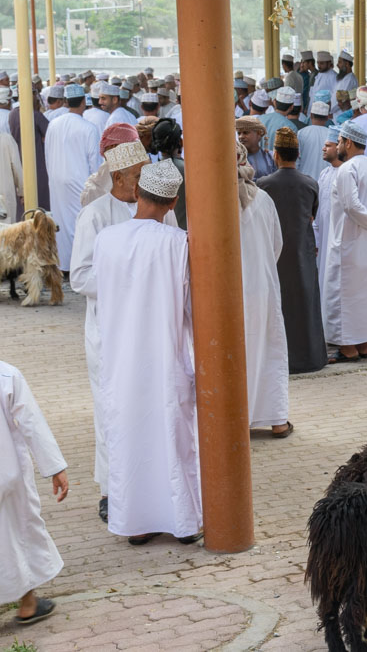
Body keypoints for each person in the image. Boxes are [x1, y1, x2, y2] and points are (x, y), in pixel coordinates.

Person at [93, 160, 202, 545]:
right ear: (173, 203)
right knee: (173, 437)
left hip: (121, 359)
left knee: (129, 438)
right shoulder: (179, 244)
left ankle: (136, 524)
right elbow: (193, 308)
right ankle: (183, 521)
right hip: (165, 357)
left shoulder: (106, 239)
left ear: (137, 193)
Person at [70, 141, 168, 522]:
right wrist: (129, 281)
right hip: (110, 329)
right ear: (118, 178)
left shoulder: (159, 207)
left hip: (151, 326)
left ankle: (152, 482)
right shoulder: (95, 215)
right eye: (139, 177)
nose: (145, 184)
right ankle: (113, 489)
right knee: (112, 408)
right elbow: (80, 277)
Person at [230, 141, 293, 435]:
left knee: (233, 351)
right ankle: (277, 420)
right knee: (267, 348)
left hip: (227, 292)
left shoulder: (212, 201)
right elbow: (276, 244)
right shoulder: (264, 200)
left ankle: (234, 419)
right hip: (262, 287)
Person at [1, 361, 70, 625]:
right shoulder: (6, 374)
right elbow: (30, 421)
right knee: (15, 534)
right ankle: (28, 604)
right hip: (6, 477)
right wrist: (54, 466)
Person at [257, 128, 326, 376]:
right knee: (306, 303)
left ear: (275, 155)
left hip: (274, 254)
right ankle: (310, 357)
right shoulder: (310, 184)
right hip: (302, 253)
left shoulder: (263, 185)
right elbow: (311, 216)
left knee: (279, 304)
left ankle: (279, 359)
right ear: (297, 155)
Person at [322, 120, 367, 361]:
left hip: (348, 242)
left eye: (338, 141)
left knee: (344, 295)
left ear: (348, 142)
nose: (337, 146)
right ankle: (364, 343)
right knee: (366, 294)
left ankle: (348, 347)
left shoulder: (347, 169)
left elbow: (352, 207)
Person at [46, 83, 102, 275]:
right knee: (81, 224)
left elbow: (47, 154)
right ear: (84, 101)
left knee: (62, 223)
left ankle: (64, 267)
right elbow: (95, 163)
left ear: (66, 101)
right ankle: (79, 267)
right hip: (81, 182)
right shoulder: (89, 128)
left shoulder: (53, 124)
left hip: (57, 180)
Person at [314, 127, 342, 291]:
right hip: (323, 235)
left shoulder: (347, 173)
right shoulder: (324, 173)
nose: (324, 148)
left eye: (328, 145)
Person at [297, 100, 333, 180]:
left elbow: (297, 160)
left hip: (304, 181)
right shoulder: (332, 135)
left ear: (311, 115)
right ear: (327, 117)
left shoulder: (301, 133)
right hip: (325, 181)